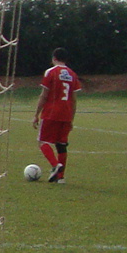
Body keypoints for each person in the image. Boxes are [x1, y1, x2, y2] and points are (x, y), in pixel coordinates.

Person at [34, 48, 84, 184]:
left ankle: (55, 165)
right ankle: (60, 178)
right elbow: (74, 100)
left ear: (54, 58)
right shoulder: (73, 74)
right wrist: (71, 119)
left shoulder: (51, 72)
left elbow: (44, 95)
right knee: (61, 145)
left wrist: (36, 114)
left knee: (42, 142)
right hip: (66, 114)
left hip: (51, 112)